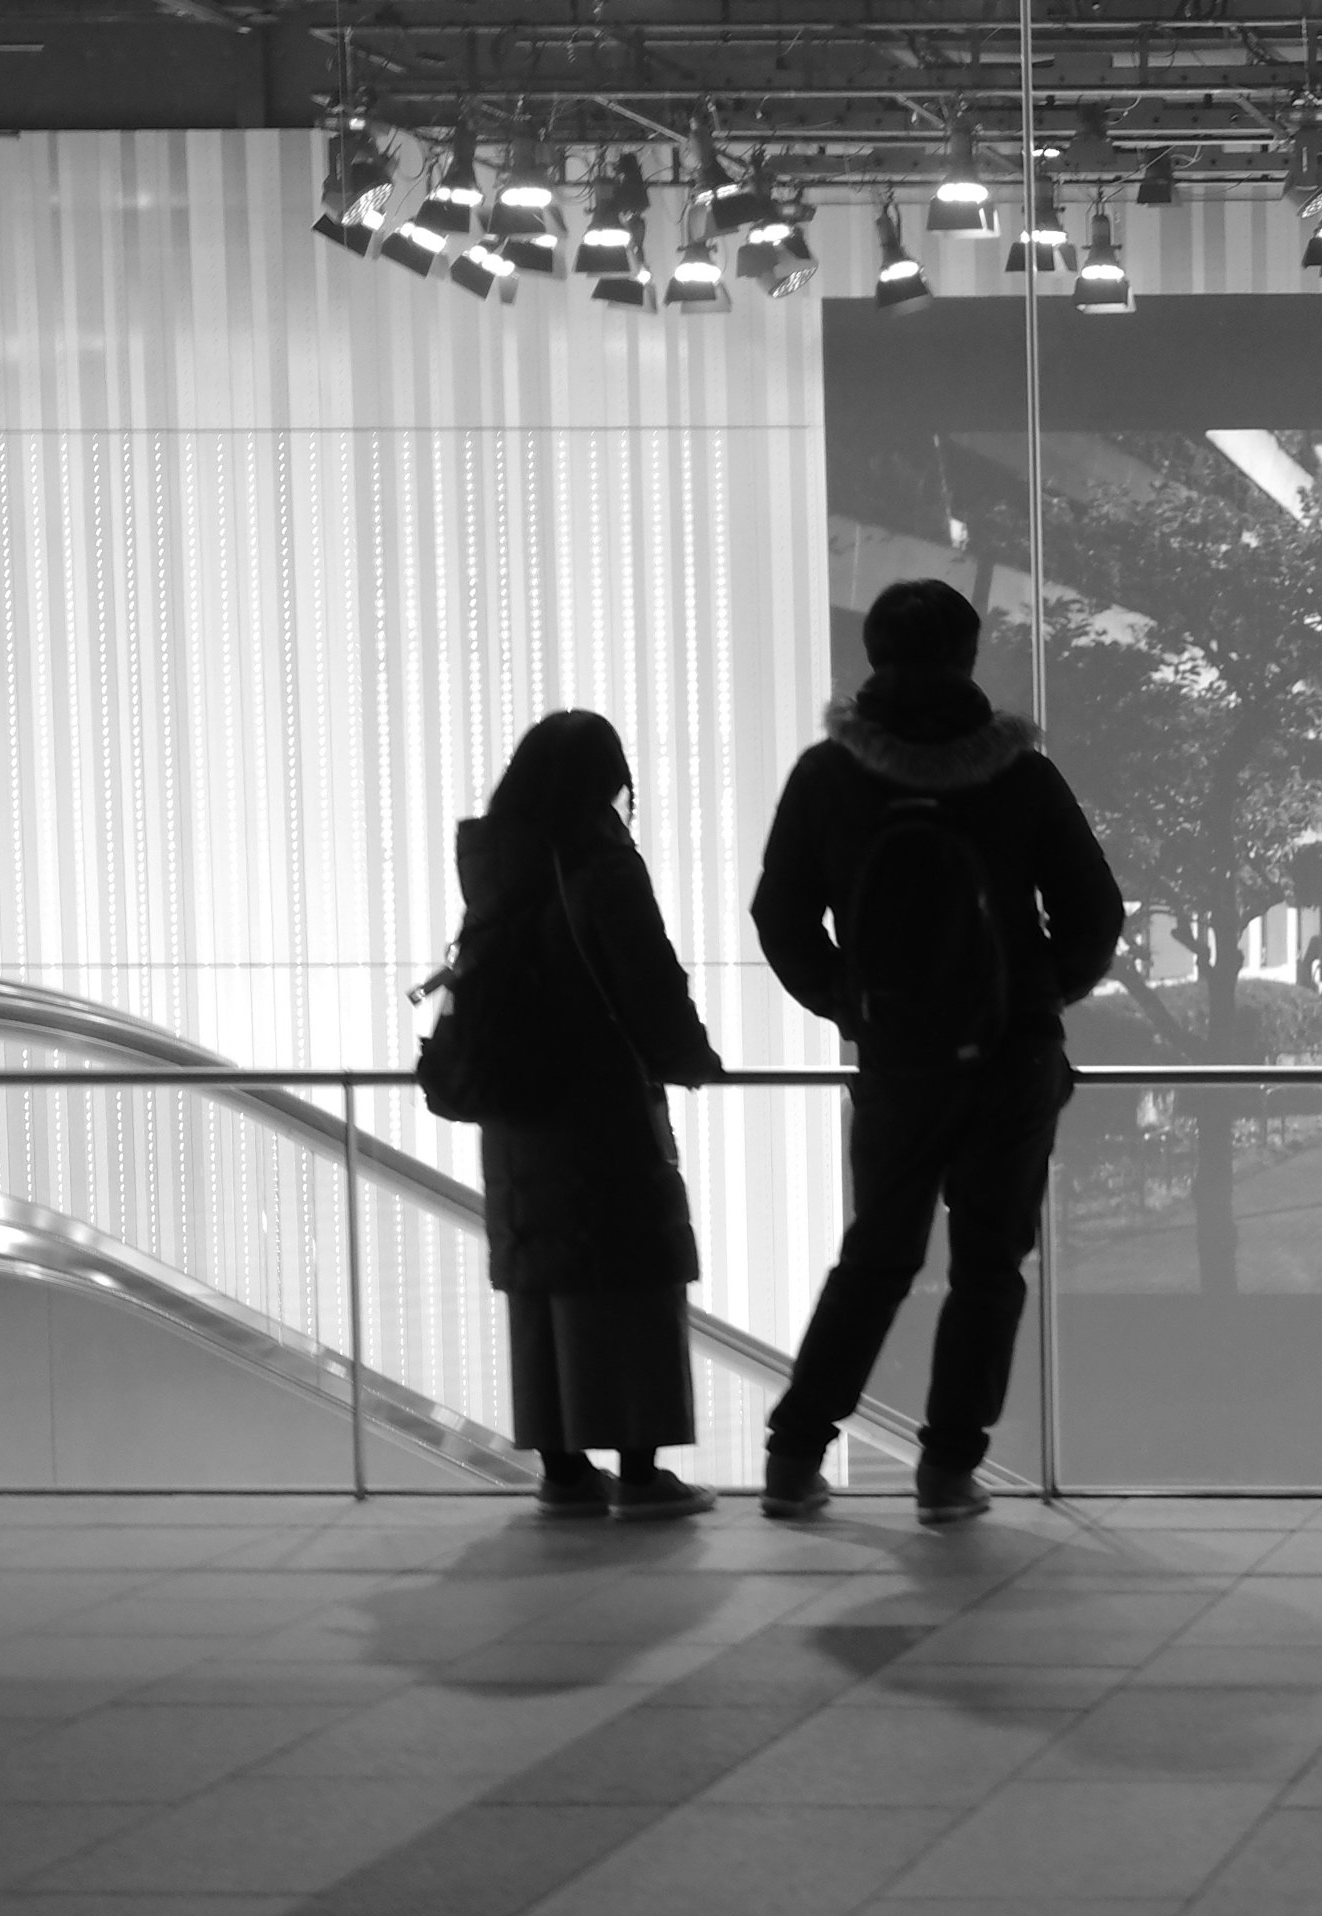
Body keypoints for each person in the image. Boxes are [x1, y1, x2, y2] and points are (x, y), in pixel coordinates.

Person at [750, 580, 1125, 1524]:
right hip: (1011, 1060)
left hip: (898, 1064)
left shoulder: (828, 774)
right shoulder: (1020, 775)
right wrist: (1036, 998)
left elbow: (782, 918)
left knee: (876, 1256)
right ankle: (947, 1473)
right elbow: (1095, 909)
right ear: (969, 653)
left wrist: (856, 1005)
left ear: (872, 653)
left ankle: (795, 1459)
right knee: (987, 1267)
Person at [457, 711, 726, 1522]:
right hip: (598, 1101)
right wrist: (688, 1057)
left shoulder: (496, 861)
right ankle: (640, 1471)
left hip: (514, 1109)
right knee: (631, 1273)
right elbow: (647, 974)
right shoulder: (603, 862)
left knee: (540, 1278)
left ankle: (564, 1470)